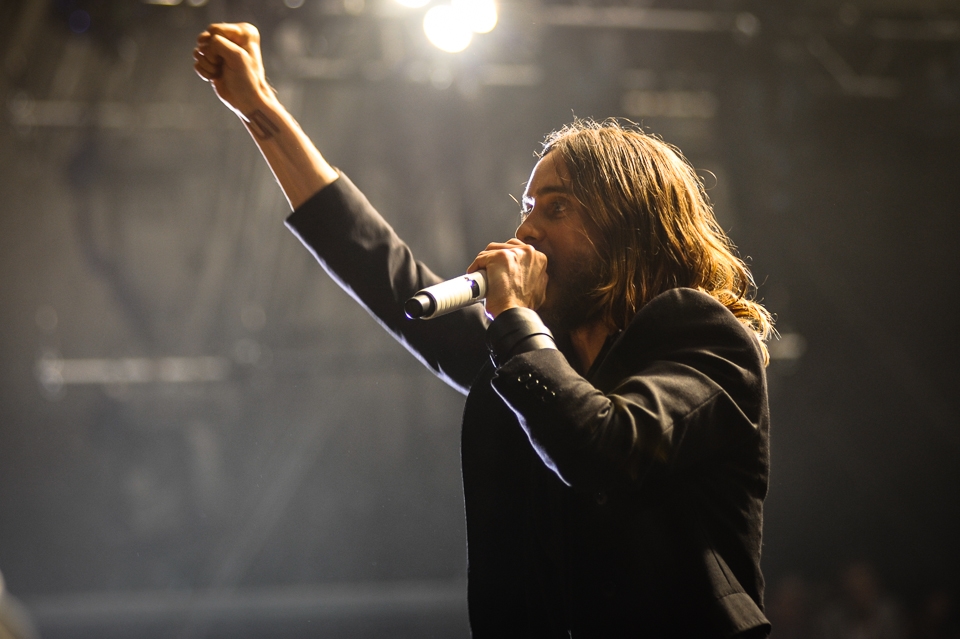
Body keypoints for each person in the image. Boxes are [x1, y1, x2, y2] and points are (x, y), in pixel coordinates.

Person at [194, 22, 774, 638]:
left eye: (556, 208)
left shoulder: (705, 337)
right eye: (526, 211)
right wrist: (260, 108)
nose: (525, 233)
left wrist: (517, 322)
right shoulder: (524, 359)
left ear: (628, 226)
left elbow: (608, 449)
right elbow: (382, 268)